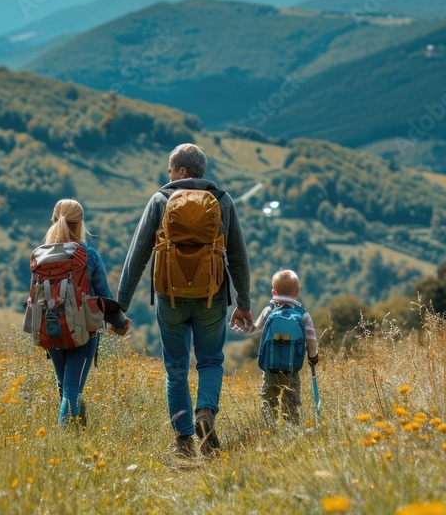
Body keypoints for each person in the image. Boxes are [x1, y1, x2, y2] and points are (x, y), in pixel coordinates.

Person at [116, 143, 252, 458]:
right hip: (211, 298)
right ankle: (205, 413)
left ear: (181, 171)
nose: (168, 176)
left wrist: (119, 307)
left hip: (170, 297)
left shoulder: (160, 200)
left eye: (170, 170)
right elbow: (237, 257)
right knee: (210, 360)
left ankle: (184, 442)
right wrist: (243, 303)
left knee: (176, 368)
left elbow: (136, 257)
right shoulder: (222, 201)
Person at [41, 199, 128, 427]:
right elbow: (104, 298)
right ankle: (64, 442)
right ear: (80, 224)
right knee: (72, 389)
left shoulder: (40, 256)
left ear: (53, 221)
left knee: (65, 386)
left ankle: (77, 431)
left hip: (50, 330)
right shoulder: (89, 255)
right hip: (83, 332)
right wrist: (120, 323)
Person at [242, 269, 319, 426]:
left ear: (273, 292)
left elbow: (253, 328)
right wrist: (313, 356)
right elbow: (311, 340)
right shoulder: (303, 315)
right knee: (291, 402)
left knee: (269, 400)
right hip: (292, 369)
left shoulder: (269, 311)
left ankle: (269, 429)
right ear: (297, 293)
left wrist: (240, 326)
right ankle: (291, 429)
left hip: (270, 368)